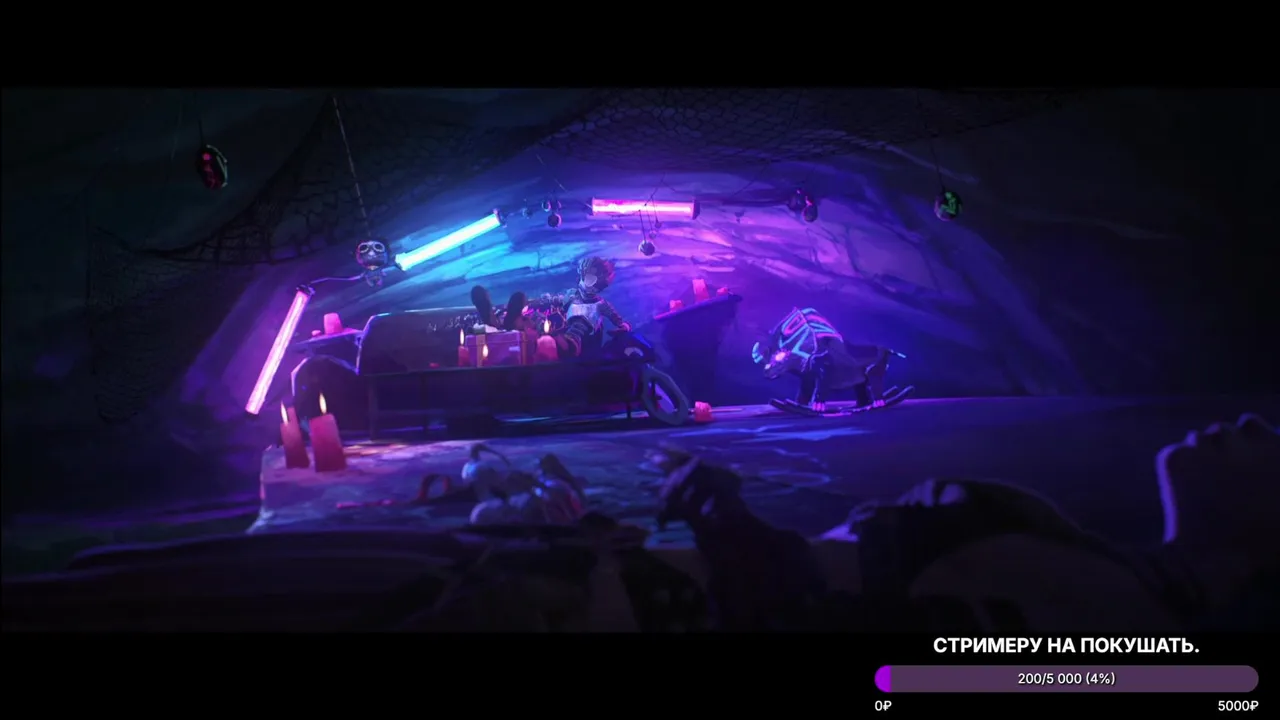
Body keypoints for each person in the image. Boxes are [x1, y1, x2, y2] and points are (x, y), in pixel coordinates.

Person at [471, 256, 632, 360]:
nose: (588, 284)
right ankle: (501, 324)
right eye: (586, 278)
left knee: (549, 338)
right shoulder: (572, 295)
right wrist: (532, 303)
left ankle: (515, 328)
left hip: (577, 344)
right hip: (564, 337)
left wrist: (623, 327)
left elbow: (617, 319)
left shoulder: (600, 305)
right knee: (532, 322)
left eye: (593, 280)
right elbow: (555, 300)